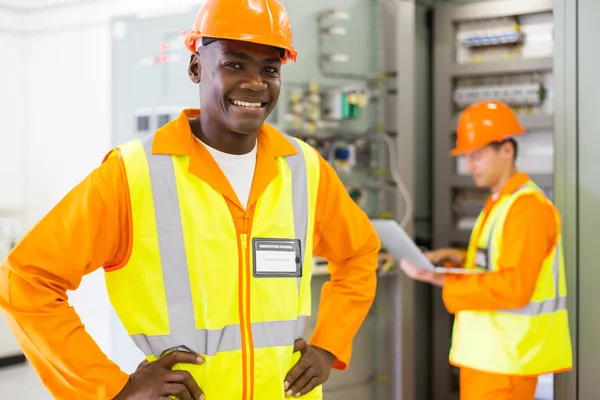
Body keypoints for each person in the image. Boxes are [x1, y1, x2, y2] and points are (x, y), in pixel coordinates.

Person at [0, 1, 381, 399]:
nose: (255, 82)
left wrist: (326, 346)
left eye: (270, 68)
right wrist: (112, 389)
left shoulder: (304, 167)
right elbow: (26, 281)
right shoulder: (135, 173)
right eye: (235, 64)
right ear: (196, 67)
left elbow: (359, 253)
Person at [400, 100, 572, 400]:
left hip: (506, 364)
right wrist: (455, 263)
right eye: (467, 157)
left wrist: (443, 280)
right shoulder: (499, 204)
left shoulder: (527, 208)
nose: (469, 166)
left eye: (477, 155)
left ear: (506, 149)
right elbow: (493, 267)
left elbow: (514, 288)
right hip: (491, 360)